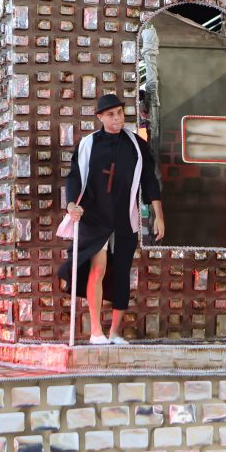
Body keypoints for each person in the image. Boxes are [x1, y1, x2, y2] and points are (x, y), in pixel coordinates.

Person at [58, 94, 164, 345]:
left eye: (119, 113)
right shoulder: (88, 144)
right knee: (98, 267)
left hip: (124, 216)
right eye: (110, 114)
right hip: (95, 216)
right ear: (100, 117)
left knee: (121, 273)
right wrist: (72, 204)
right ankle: (96, 331)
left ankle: (115, 332)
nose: (117, 118)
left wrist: (159, 216)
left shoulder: (136, 145)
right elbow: (74, 177)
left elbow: (150, 181)